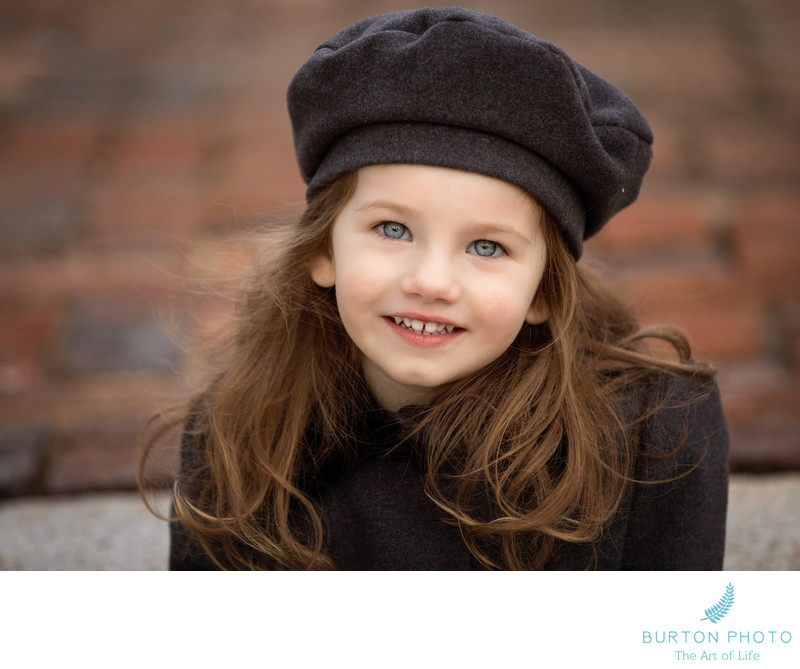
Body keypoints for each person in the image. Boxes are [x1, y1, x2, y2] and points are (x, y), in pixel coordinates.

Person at [142, 7, 729, 570]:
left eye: (486, 247)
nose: (430, 282)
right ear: (324, 250)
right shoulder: (237, 433)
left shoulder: (657, 439)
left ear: (544, 293)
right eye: (392, 229)